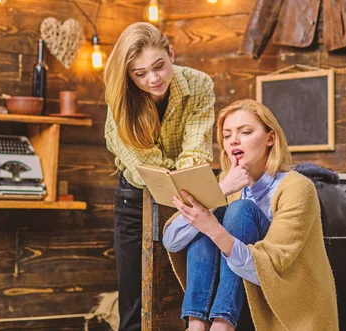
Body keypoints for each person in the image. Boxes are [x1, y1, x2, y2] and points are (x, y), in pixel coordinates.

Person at [162, 99, 339, 331]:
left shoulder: (298, 187)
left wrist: (213, 227)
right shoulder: (226, 183)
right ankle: (196, 323)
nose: (234, 140)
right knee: (207, 216)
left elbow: (271, 267)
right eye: (227, 136)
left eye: (245, 132)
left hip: (288, 303)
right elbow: (171, 241)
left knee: (237, 211)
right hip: (245, 301)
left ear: (270, 138)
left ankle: (221, 324)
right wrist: (220, 191)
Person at [103, 22, 215, 331]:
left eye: (159, 66)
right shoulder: (121, 99)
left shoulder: (199, 84)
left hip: (189, 199)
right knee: (135, 302)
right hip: (135, 201)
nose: (153, 79)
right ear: (128, 75)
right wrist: (184, 176)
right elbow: (145, 169)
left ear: (171, 54)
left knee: (182, 294)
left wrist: (184, 177)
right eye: (140, 74)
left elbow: (197, 151)